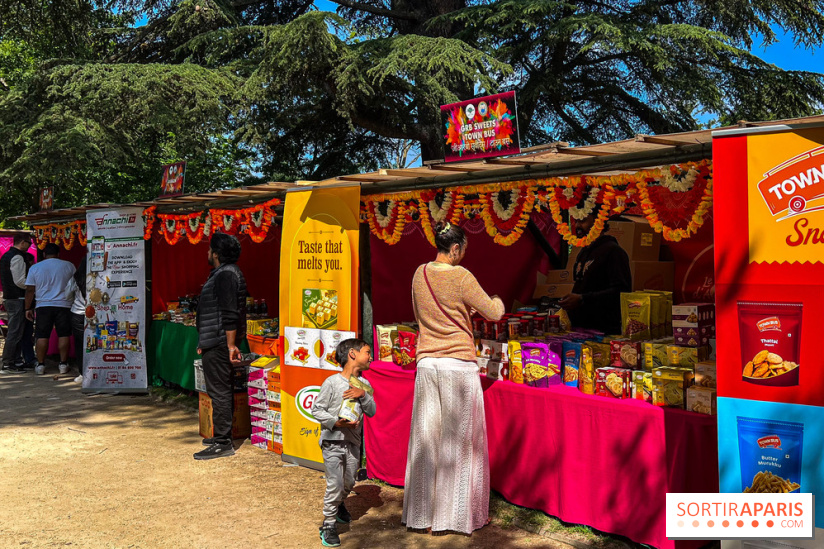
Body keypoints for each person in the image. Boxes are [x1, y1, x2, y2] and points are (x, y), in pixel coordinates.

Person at [403, 221, 505, 535]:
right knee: (461, 442)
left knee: (427, 439)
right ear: (456, 248)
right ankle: (458, 516)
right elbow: (493, 312)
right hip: (458, 366)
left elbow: (421, 316)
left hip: (427, 364)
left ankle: (423, 514)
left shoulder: (419, 273)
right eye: (463, 251)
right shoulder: (461, 276)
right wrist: (499, 300)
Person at [311, 338, 376, 548]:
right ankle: (328, 525)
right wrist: (335, 423)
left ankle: (339, 505)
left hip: (353, 444)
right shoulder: (332, 382)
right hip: (333, 442)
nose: (371, 356)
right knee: (335, 484)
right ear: (352, 354)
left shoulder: (365, 385)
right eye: (367, 351)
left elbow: (372, 411)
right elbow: (317, 410)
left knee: (349, 482)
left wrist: (363, 395)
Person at [194, 233, 247, 460]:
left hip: (220, 343)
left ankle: (223, 442)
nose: (206, 254)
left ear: (216, 253)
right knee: (218, 391)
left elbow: (229, 312)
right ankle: (220, 436)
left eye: (209, 250)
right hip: (214, 341)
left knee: (220, 392)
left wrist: (230, 345)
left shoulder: (226, 274)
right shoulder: (224, 273)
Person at [558, 209, 632, 335]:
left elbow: (621, 291)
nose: (577, 226)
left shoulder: (613, 251)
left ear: (599, 221)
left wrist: (582, 298)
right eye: (576, 221)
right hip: (580, 328)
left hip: (603, 331)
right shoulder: (583, 252)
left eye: (583, 221)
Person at [24, 243, 75, 375]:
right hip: (64, 305)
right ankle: (63, 364)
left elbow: (30, 290)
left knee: (42, 335)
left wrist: (27, 308)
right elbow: (75, 285)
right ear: (58, 254)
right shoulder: (69, 266)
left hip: (43, 306)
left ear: (44, 254)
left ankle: (40, 365)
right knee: (64, 334)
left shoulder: (35, 268)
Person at [1, 234, 33, 372]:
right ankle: (8, 363)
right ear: (21, 242)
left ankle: (16, 360)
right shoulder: (18, 257)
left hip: (11, 298)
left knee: (18, 331)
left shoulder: (7, 256)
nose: (30, 245)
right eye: (28, 243)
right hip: (17, 298)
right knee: (15, 332)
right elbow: (20, 281)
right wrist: (32, 286)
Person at [69, 256, 87, 383]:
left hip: (78, 313)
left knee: (80, 344)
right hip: (98, 315)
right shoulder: (103, 277)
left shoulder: (75, 278)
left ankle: (82, 373)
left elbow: (67, 295)